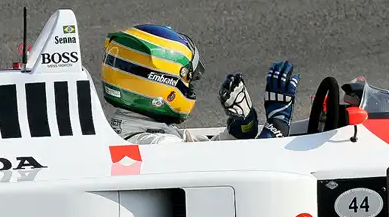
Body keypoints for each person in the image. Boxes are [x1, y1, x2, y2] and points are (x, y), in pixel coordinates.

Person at [100, 24, 299, 144]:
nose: (189, 87)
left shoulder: (137, 131)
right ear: (161, 80)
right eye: (186, 79)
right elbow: (238, 174)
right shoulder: (159, 145)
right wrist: (277, 125)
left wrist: (242, 126)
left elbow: (208, 154)